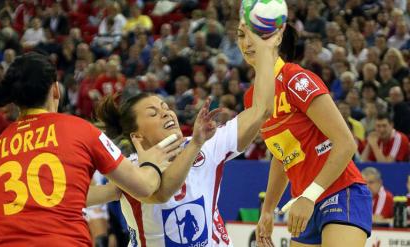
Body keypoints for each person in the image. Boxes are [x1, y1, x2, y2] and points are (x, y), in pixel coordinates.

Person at [0, 52, 187, 247]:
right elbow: (145, 186)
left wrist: (116, 190)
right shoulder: (79, 129)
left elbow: (58, 199)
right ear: (56, 90)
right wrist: (152, 161)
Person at [87, 23, 279, 246]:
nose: (166, 113)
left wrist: (265, 51)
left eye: (165, 107)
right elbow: (161, 192)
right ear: (136, 136)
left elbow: (261, 110)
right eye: (153, 113)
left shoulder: (207, 144)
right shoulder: (131, 170)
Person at [243, 25, 371, 247]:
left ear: (276, 40)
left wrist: (309, 196)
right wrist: (267, 210)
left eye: (255, 36)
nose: (246, 42)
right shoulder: (252, 98)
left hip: (340, 191)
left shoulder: (295, 79)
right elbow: (281, 155)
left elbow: (346, 143)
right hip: (303, 203)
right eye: (240, 35)